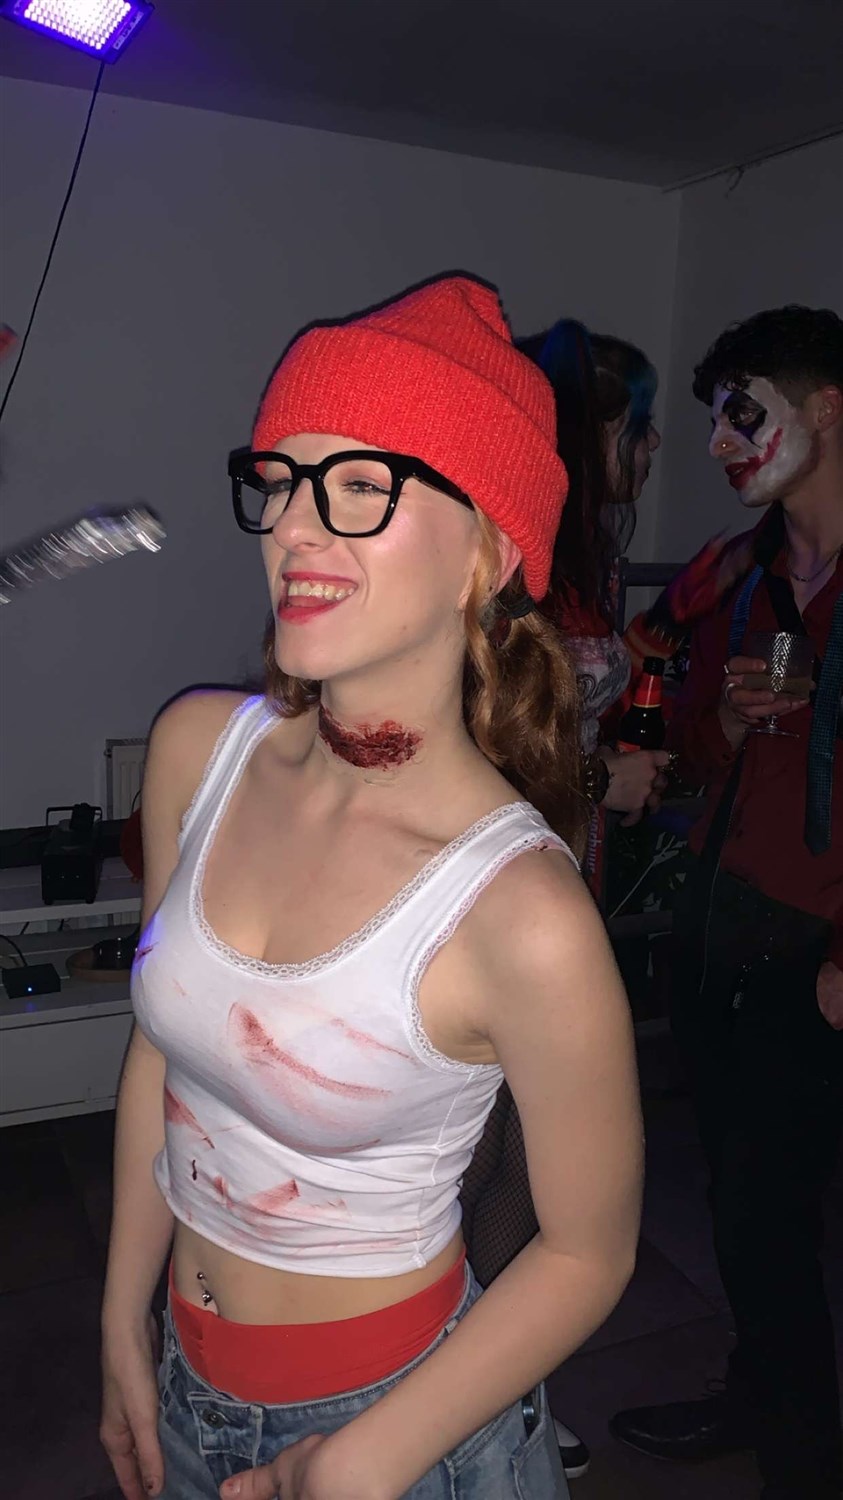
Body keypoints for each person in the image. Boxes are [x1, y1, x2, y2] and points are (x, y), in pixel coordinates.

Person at [99, 273, 644, 1500]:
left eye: (359, 487)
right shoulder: (196, 751)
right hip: (185, 1384)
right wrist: (122, 1320)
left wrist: (362, 1462)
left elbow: (588, 1253)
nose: (294, 527)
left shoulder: (520, 914)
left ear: (487, 555)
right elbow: (161, 1053)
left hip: (401, 1430)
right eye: (281, 482)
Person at [610, 305, 843, 1500]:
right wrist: (721, 726)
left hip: (818, 947)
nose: (717, 444)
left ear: (826, 409)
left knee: (772, 1209)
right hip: (717, 922)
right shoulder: (741, 572)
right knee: (735, 1195)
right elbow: (676, 735)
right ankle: (761, 1395)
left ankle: (804, 1457)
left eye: (743, 413)